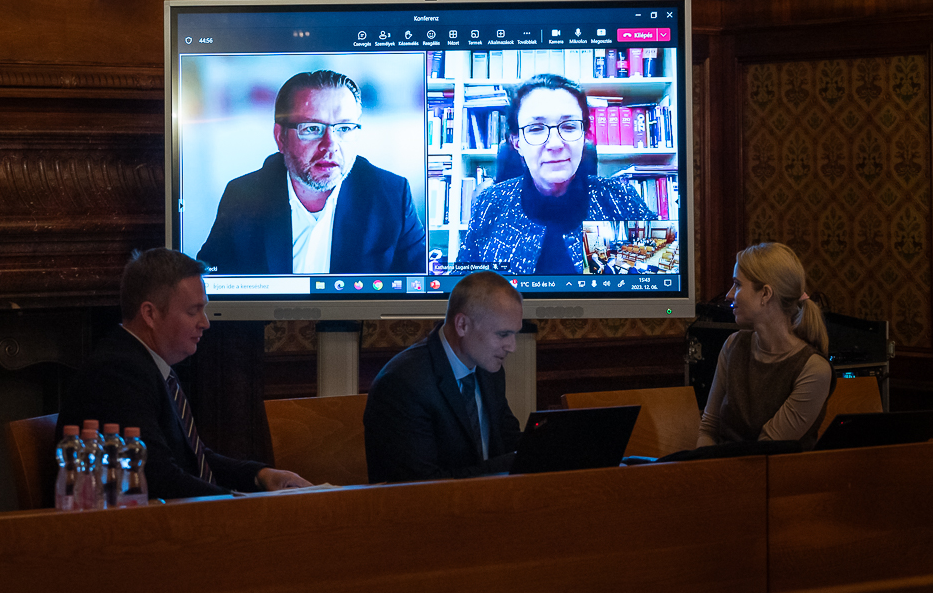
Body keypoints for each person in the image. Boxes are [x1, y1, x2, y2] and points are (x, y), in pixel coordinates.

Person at [57, 248, 311, 499]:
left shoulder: (147, 363)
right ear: (150, 314)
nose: (205, 322)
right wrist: (242, 503)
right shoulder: (117, 373)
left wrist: (260, 475)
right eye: (193, 311)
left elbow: (191, 459)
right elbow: (159, 478)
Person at [197, 69, 426, 275]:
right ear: (281, 137)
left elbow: (419, 291)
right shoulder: (243, 196)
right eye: (313, 128)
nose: (330, 145)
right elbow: (210, 286)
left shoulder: (392, 196)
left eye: (345, 128)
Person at [459, 75, 655, 274]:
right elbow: (463, 285)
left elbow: (659, 281)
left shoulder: (620, 198)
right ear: (517, 142)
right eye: (536, 129)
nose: (555, 144)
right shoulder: (490, 203)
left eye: (569, 126)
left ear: (584, 136)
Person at [363, 271, 523, 483]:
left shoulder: (488, 368)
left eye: (514, 334)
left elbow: (509, 441)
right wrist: (509, 464)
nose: (512, 347)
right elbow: (421, 485)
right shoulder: (402, 384)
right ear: (462, 325)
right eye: (503, 334)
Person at [696, 242, 834, 450]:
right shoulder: (733, 345)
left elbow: (766, 450)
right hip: (723, 465)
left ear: (765, 294)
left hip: (775, 469)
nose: (729, 295)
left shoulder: (814, 369)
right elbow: (708, 429)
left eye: (738, 285)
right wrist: (703, 465)